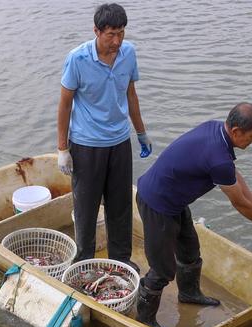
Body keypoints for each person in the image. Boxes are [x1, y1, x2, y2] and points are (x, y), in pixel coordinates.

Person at [135, 103, 252, 327]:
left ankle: (189, 293)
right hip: (157, 204)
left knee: (190, 251)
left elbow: (232, 174)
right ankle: (144, 319)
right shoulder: (218, 158)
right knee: (162, 270)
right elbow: (238, 202)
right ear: (235, 131)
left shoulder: (216, 131)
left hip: (175, 201)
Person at [56, 3, 152, 270]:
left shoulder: (128, 53)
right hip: (87, 144)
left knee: (120, 205)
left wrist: (141, 133)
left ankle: (120, 259)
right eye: (110, 34)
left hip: (120, 141)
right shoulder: (77, 59)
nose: (117, 40)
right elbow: (64, 104)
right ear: (96, 31)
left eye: (121, 33)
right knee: (86, 206)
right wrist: (62, 148)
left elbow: (131, 95)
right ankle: (83, 261)